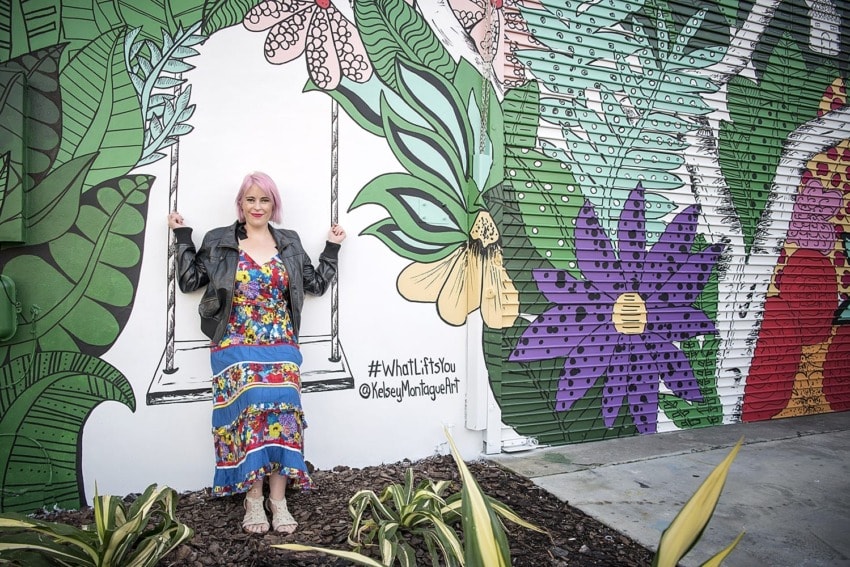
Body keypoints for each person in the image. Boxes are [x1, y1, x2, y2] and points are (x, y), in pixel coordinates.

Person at [167, 171, 346, 534]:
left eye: (264, 200)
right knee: (252, 411)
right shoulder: (220, 241)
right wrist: (182, 236)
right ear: (241, 204)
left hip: (280, 340)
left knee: (285, 413)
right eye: (250, 199)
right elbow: (189, 281)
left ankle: (278, 500)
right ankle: (253, 499)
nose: (257, 206)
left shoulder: (289, 242)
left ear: (273, 204)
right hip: (234, 341)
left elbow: (314, 284)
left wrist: (331, 248)